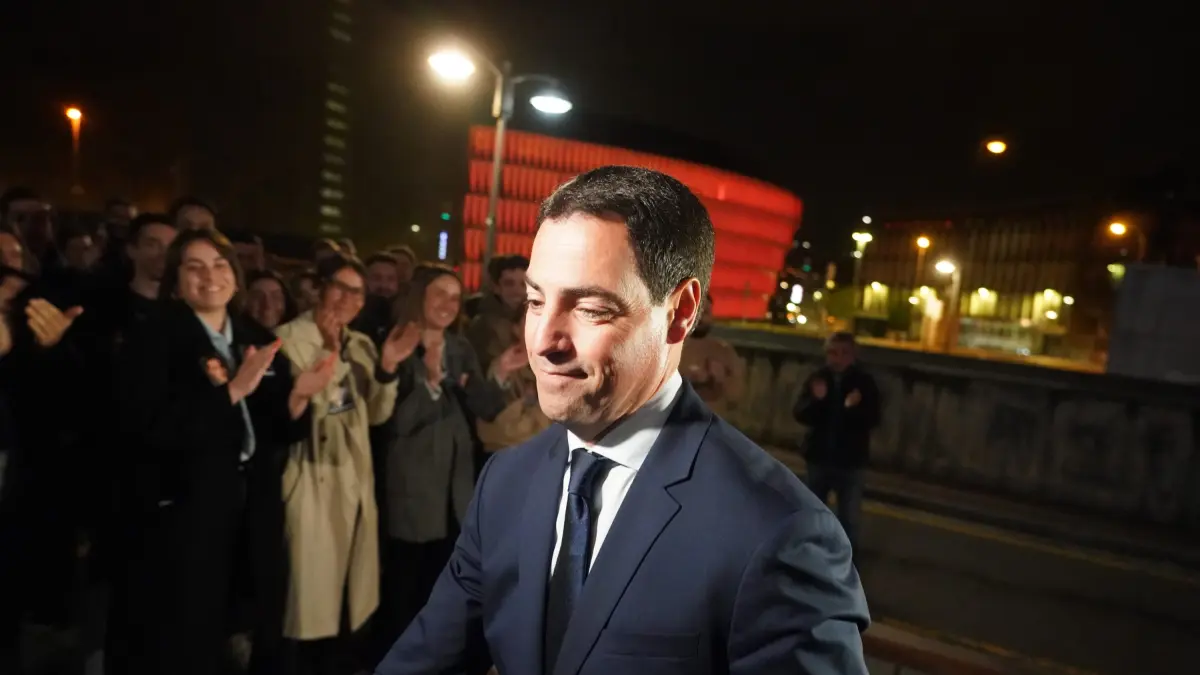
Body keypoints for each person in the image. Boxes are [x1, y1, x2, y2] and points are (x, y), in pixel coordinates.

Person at [376, 166, 869, 675]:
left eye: (590, 309)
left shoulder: (780, 532)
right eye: (535, 301)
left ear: (680, 312)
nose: (543, 341)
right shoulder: (505, 483)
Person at [108, 229, 336, 675]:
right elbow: (149, 427)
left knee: (250, 623)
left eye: (219, 265)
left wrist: (297, 399)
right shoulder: (152, 339)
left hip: (253, 509)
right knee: (186, 633)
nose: (209, 276)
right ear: (176, 281)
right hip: (186, 512)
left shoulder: (256, 337)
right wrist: (231, 392)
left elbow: (277, 429)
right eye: (194, 267)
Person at [374, 264, 524, 658]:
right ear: (419, 296)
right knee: (405, 583)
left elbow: (485, 409)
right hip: (412, 483)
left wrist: (500, 373)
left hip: (454, 487)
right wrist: (428, 379)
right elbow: (395, 422)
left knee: (441, 583)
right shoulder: (396, 344)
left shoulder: (460, 348)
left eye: (455, 297)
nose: (448, 304)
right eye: (439, 293)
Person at [275, 253, 415, 675]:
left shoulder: (361, 344)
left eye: (357, 292)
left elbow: (375, 413)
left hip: (353, 477)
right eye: (340, 287)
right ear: (319, 288)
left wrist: (387, 368)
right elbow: (307, 409)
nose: (349, 298)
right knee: (308, 601)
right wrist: (329, 358)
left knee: (345, 602)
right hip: (311, 476)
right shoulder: (287, 339)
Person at [793, 332, 881, 553]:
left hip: (850, 461)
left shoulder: (863, 382)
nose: (837, 358)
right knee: (813, 514)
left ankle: (846, 561)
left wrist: (852, 408)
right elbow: (800, 413)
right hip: (819, 457)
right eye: (833, 353)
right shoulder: (818, 378)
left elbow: (873, 419)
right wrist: (817, 400)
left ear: (853, 356)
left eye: (844, 353)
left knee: (849, 518)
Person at [679, 292, 745, 417]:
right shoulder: (672, 347)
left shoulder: (723, 351)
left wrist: (718, 382)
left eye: (706, 313)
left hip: (709, 419)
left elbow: (735, 397)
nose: (701, 318)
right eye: (697, 312)